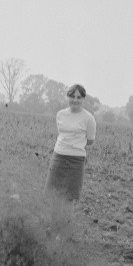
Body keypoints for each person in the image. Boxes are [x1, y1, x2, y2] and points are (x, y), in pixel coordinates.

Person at [44, 83, 96, 228]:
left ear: (83, 99)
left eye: (79, 97)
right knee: (53, 193)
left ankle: (64, 230)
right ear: (68, 97)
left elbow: (90, 141)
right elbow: (62, 134)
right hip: (58, 157)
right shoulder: (60, 114)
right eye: (72, 96)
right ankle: (52, 226)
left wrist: (75, 148)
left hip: (76, 161)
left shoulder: (88, 118)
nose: (75, 100)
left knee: (69, 197)